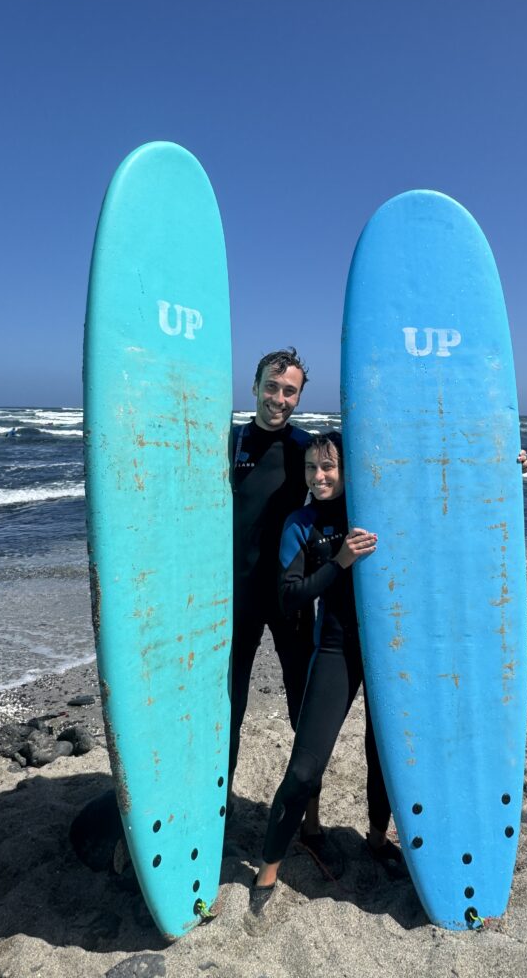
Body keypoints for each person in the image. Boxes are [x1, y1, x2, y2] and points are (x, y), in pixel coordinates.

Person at [251, 431, 402, 911]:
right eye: (312, 468)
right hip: (335, 649)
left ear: (348, 468)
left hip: (389, 647)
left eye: (329, 467)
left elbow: (440, 488)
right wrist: (340, 560)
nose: (319, 477)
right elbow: (290, 595)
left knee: (384, 753)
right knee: (303, 767)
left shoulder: (375, 505)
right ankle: (268, 868)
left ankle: (377, 839)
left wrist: (506, 465)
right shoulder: (302, 522)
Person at [228, 348, 321, 827]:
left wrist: (497, 462)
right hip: (235, 599)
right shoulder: (229, 441)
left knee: (302, 707)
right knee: (229, 707)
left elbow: (378, 473)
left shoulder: (307, 448)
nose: (278, 398)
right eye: (271, 386)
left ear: (299, 397)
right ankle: (217, 811)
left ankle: (311, 820)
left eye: (289, 391)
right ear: (254, 385)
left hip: (290, 599)